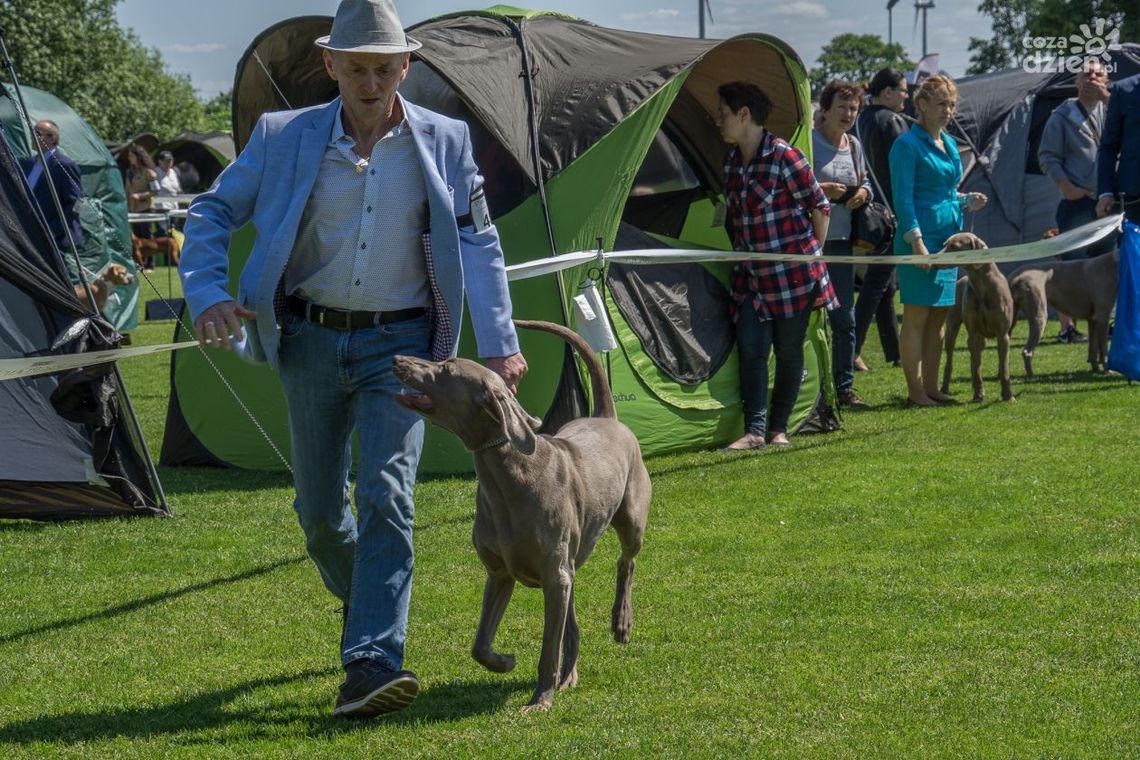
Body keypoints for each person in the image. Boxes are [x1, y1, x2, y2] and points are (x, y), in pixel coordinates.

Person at [178, 0, 527, 719]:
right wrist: (208, 292)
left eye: (384, 69)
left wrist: (500, 341)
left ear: (407, 66)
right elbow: (211, 212)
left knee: (387, 498)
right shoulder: (282, 136)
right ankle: (365, 603)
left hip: (400, 350)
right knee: (319, 516)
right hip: (306, 340)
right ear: (332, 65)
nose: (371, 84)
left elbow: (479, 243)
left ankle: (371, 662)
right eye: (356, 69)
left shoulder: (447, 141)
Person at [717, 81, 837, 450]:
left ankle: (778, 428)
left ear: (744, 115)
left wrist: (812, 254)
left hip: (793, 279)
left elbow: (821, 207)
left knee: (788, 352)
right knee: (751, 349)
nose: (718, 122)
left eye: (723, 115)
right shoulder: (733, 164)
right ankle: (754, 431)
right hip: (752, 279)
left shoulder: (786, 156)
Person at [889, 75, 987, 407]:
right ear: (922, 105)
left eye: (952, 104)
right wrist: (917, 243)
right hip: (919, 240)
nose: (949, 110)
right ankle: (916, 392)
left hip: (949, 241)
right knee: (916, 317)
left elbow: (946, 193)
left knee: (939, 318)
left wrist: (965, 200)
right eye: (942, 104)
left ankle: (932, 389)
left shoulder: (948, 144)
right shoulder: (906, 145)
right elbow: (903, 199)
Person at [1038, 58, 1110, 343]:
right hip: (1077, 202)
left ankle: (1104, 321)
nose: (1092, 78)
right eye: (1087, 74)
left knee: (1107, 264)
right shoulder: (1062, 115)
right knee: (1072, 267)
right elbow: (1047, 156)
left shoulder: (1114, 110)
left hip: (1108, 203)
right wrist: (1067, 187)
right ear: (1078, 81)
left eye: (1098, 74)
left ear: (1106, 81)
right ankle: (1067, 328)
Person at [813, 80, 871, 409]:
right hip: (812, 243)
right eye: (842, 107)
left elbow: (866, 185)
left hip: (842, 245)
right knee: (809, 321)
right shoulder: (809, 142)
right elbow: (797, 185)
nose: (848, 113)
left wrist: (863, 193)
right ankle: (810, 390)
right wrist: (822, 189)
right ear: (825, 110)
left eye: (853, 108)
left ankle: (844, 388)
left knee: (844, 320)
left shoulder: (855, 146)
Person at [853, 68, 909, 371]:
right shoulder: (891, 121)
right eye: (902, 90)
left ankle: (895, 351)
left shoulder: (860, 122)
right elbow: (904, 168)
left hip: (868, 215)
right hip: (890, 215)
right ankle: (852, 348)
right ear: (886, 92)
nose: (906, 96)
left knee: (885, 285)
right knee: (877, 282)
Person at [20, 119, 83, 253]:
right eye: (32, 132)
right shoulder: (28, 163)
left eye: (37, 133)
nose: (32, 136)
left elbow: (75, 204)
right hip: (32, 235)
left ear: (52, 138)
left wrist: (52, 230)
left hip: (58, 240)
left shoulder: (65, 165)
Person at [1096, 70, 1140, 225]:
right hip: (1134, 198)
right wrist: (1105, 192)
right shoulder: (1123, 90)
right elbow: (1109, 146)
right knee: (1133, 248)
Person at [123, 142, 160, 270]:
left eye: (131, 156)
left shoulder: (150, 172)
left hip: (146, 207)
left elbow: (155, 191)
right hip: (133, 209)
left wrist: (140, 196)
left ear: (138, 156)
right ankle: (140, 264)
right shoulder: (129, 172)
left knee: (147, 237)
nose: (129, 158)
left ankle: (151, 264)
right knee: (137, 239)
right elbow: (127, 190)